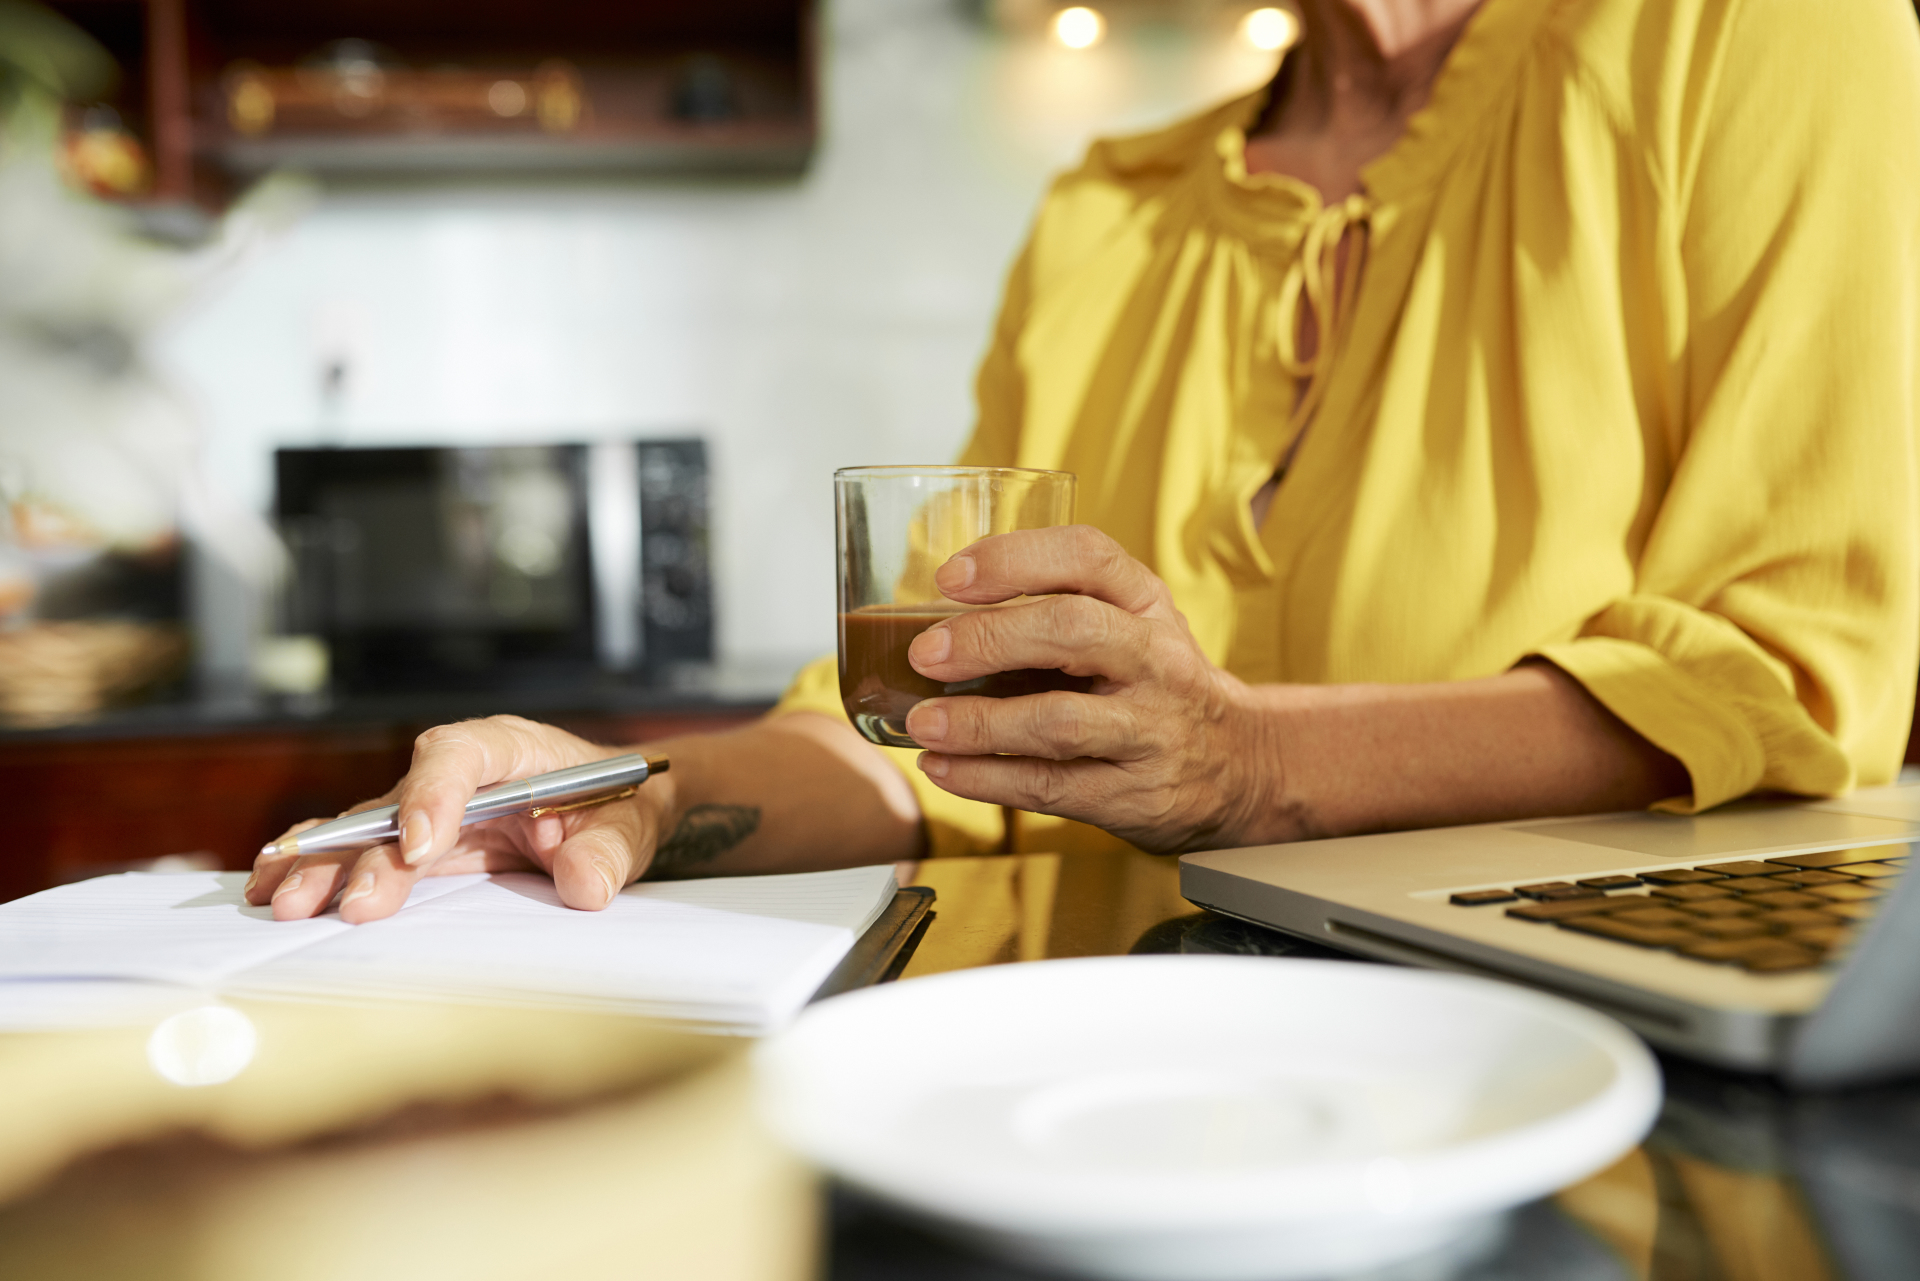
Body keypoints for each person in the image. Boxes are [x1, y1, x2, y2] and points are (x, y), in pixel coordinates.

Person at [252, 0, 1920, 924]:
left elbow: (1782, 674)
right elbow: (937, 732)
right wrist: (634, 793)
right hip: (1119, 1078)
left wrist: (1242, 763)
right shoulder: (1106, 214)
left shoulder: (1760, 39)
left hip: (1591, 1071)